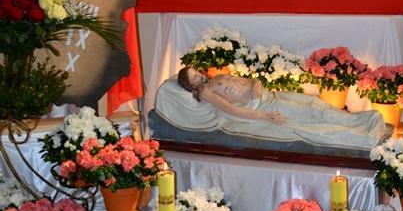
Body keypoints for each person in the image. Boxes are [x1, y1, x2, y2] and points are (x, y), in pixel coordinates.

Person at [154, 65, 388, 150]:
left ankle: (365, 121)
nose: (198, 76)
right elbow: (232, 110)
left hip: (269, 94)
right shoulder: (207, 92)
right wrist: (264, 116)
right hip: (263, 105)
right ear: (191, 85)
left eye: (196, 72)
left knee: (316, 104)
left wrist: (256, 83)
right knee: (314, 116)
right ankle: (364, 133)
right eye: (193, 77)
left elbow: (248, 81)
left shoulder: (218, 76)